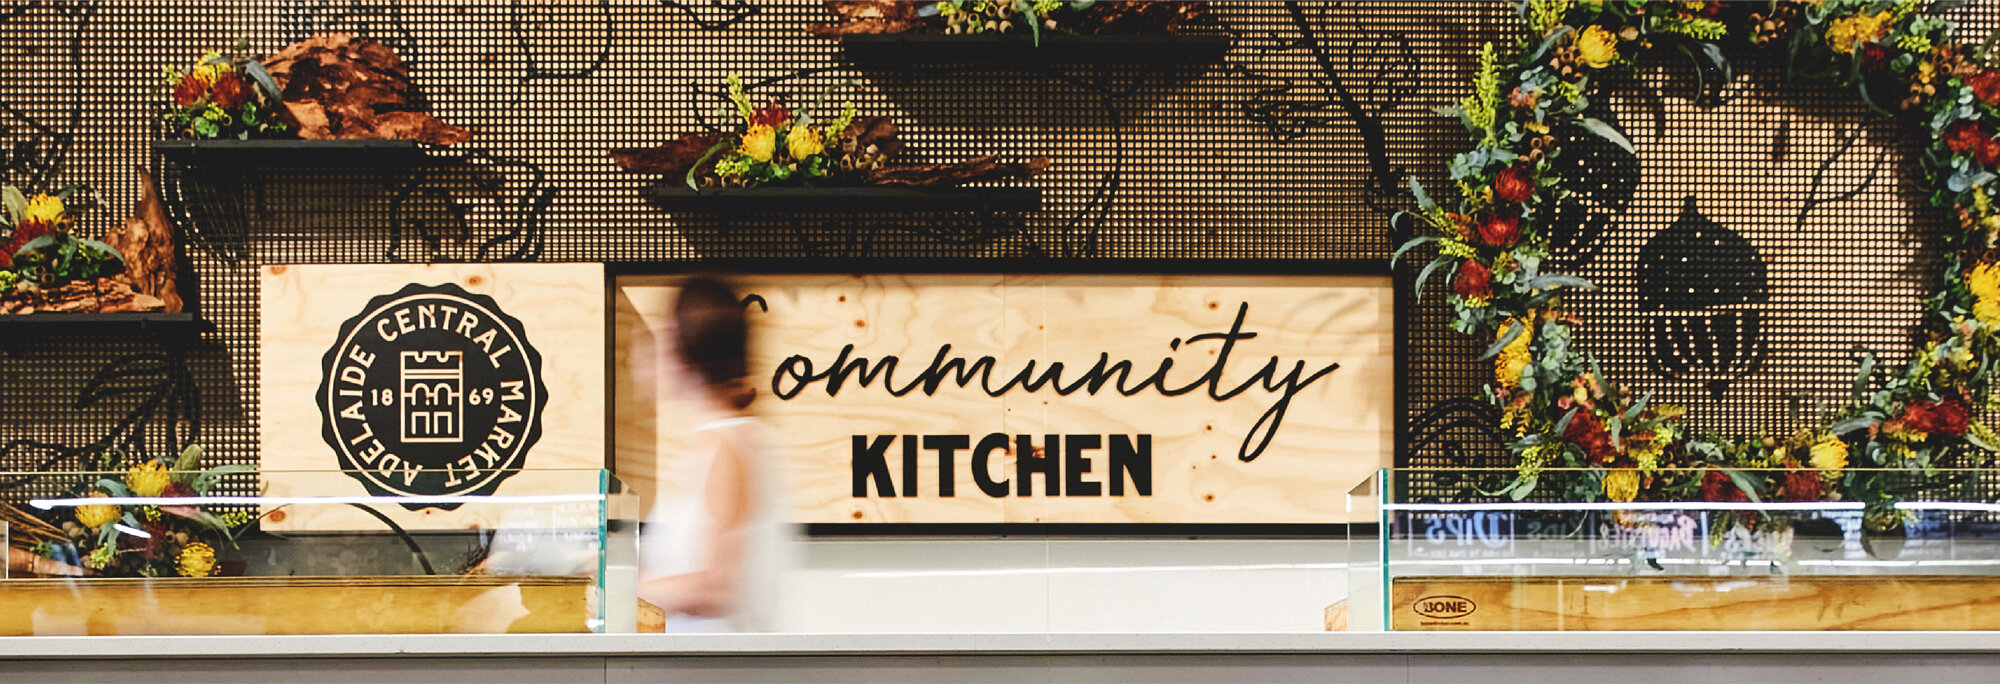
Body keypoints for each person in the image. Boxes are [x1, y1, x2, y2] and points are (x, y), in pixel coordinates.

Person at [638, 276, 790, 632]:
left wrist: (617, 588)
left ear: (679, 353)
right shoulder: (730, 441)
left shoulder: (727, 446)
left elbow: (717, 587)